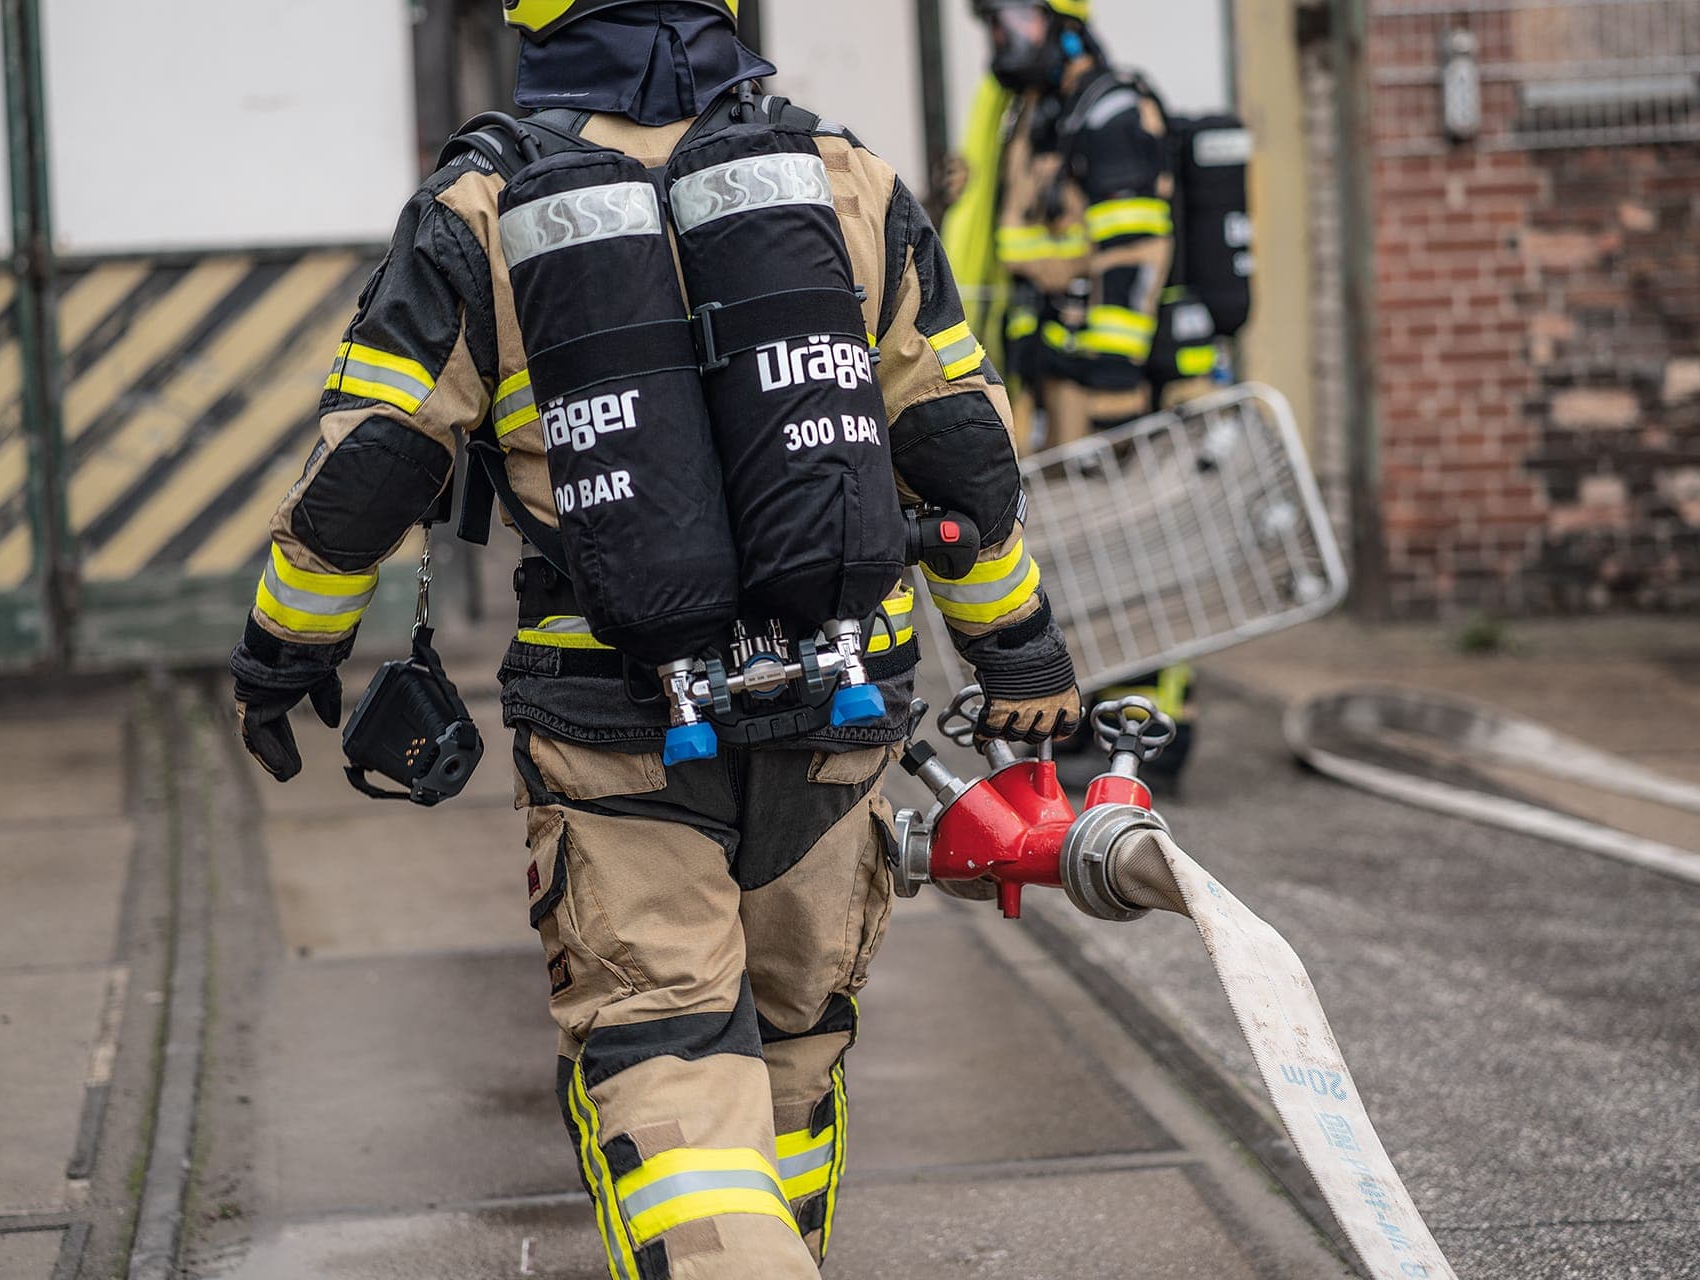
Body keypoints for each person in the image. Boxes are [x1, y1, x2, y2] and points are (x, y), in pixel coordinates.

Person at [226, 3, 1082, 1277]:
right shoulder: (840, 175)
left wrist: (284, 649)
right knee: (793, 1044)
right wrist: (1021, 656)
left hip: (621, 716)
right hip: (839, 701)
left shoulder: (480, 204)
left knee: (668, 1058)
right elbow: (958, 452)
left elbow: (370, 471)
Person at [945, 0, 1200, 782]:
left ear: (1065, 23)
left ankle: (1160, 725)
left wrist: (1113, 376)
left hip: (1107, 379)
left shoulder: (1115, 110)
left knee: (1138, 547)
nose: (1000, 40)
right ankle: (1101, 713)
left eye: (1014, 22)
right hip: (1057, 375)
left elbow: (1136, 246)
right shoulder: (1044, 117)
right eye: (992, 26)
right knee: (1086, 550)